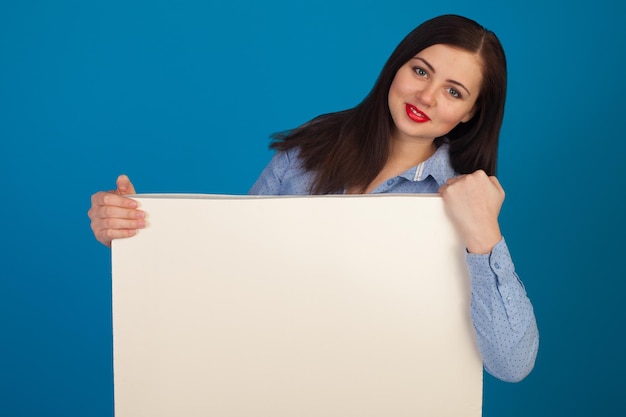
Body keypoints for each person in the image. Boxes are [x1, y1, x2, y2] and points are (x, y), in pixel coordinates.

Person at [88, 14, 539, 382]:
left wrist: (485, 236)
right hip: (269, 387)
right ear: (397, 67)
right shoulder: (306, 156)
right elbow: (227, 267)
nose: (426, 95)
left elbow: (512, 364)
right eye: (420, 70)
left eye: (453, 91)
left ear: (471, 112)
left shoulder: (464, 201)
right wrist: (132, 235)